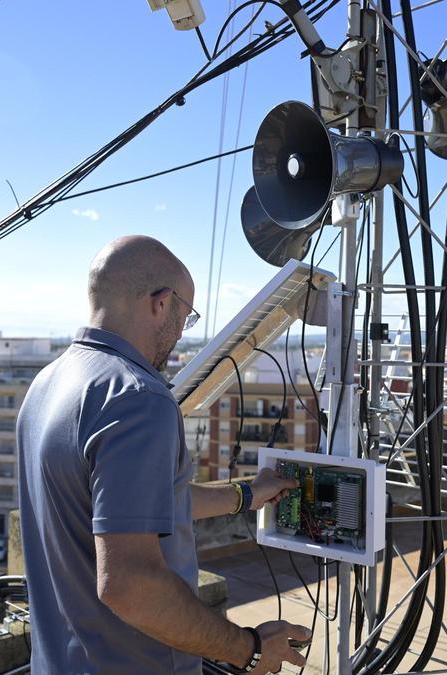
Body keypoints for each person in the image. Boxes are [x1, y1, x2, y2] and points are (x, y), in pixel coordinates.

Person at [18, 236, 311, 673]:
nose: (180, 333)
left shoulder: (48, 384)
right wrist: (246, 648)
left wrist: (248, 494)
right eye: (186, 316)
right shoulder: (138, 398)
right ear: (161, 303)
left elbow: (135, 503)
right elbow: (129, 584)